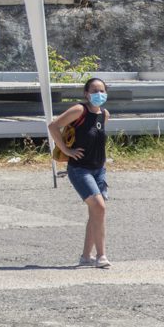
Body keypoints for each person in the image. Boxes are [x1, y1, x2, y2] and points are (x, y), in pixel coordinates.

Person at [48, 77, 112, 268]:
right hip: (80, 169)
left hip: (99, 169)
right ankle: (101, 256)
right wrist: (67, 151)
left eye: (102, 90)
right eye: (94, 90)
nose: (98, 94)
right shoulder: (79, 110)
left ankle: (86, 256)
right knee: (99, 207)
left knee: (96, 212)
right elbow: (53, 126)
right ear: (86, 93)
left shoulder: (104, 114)